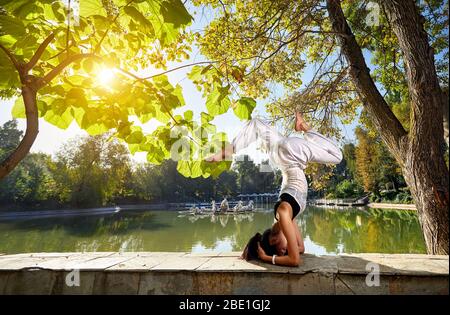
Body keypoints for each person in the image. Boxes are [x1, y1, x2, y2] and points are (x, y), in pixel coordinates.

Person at [206, 112, 343, 267]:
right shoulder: (284, 217)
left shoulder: (284, 213)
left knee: (337, 156)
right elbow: (301, 249)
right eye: (283, 252)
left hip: (291, 155)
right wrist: (265, 252)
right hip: (283, 158)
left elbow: (294, 260)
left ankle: (304, 127)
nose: (284, 251)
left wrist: (266, 259)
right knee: (257, 124)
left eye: (280, 250)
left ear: (273, 240)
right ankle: (230, 149)